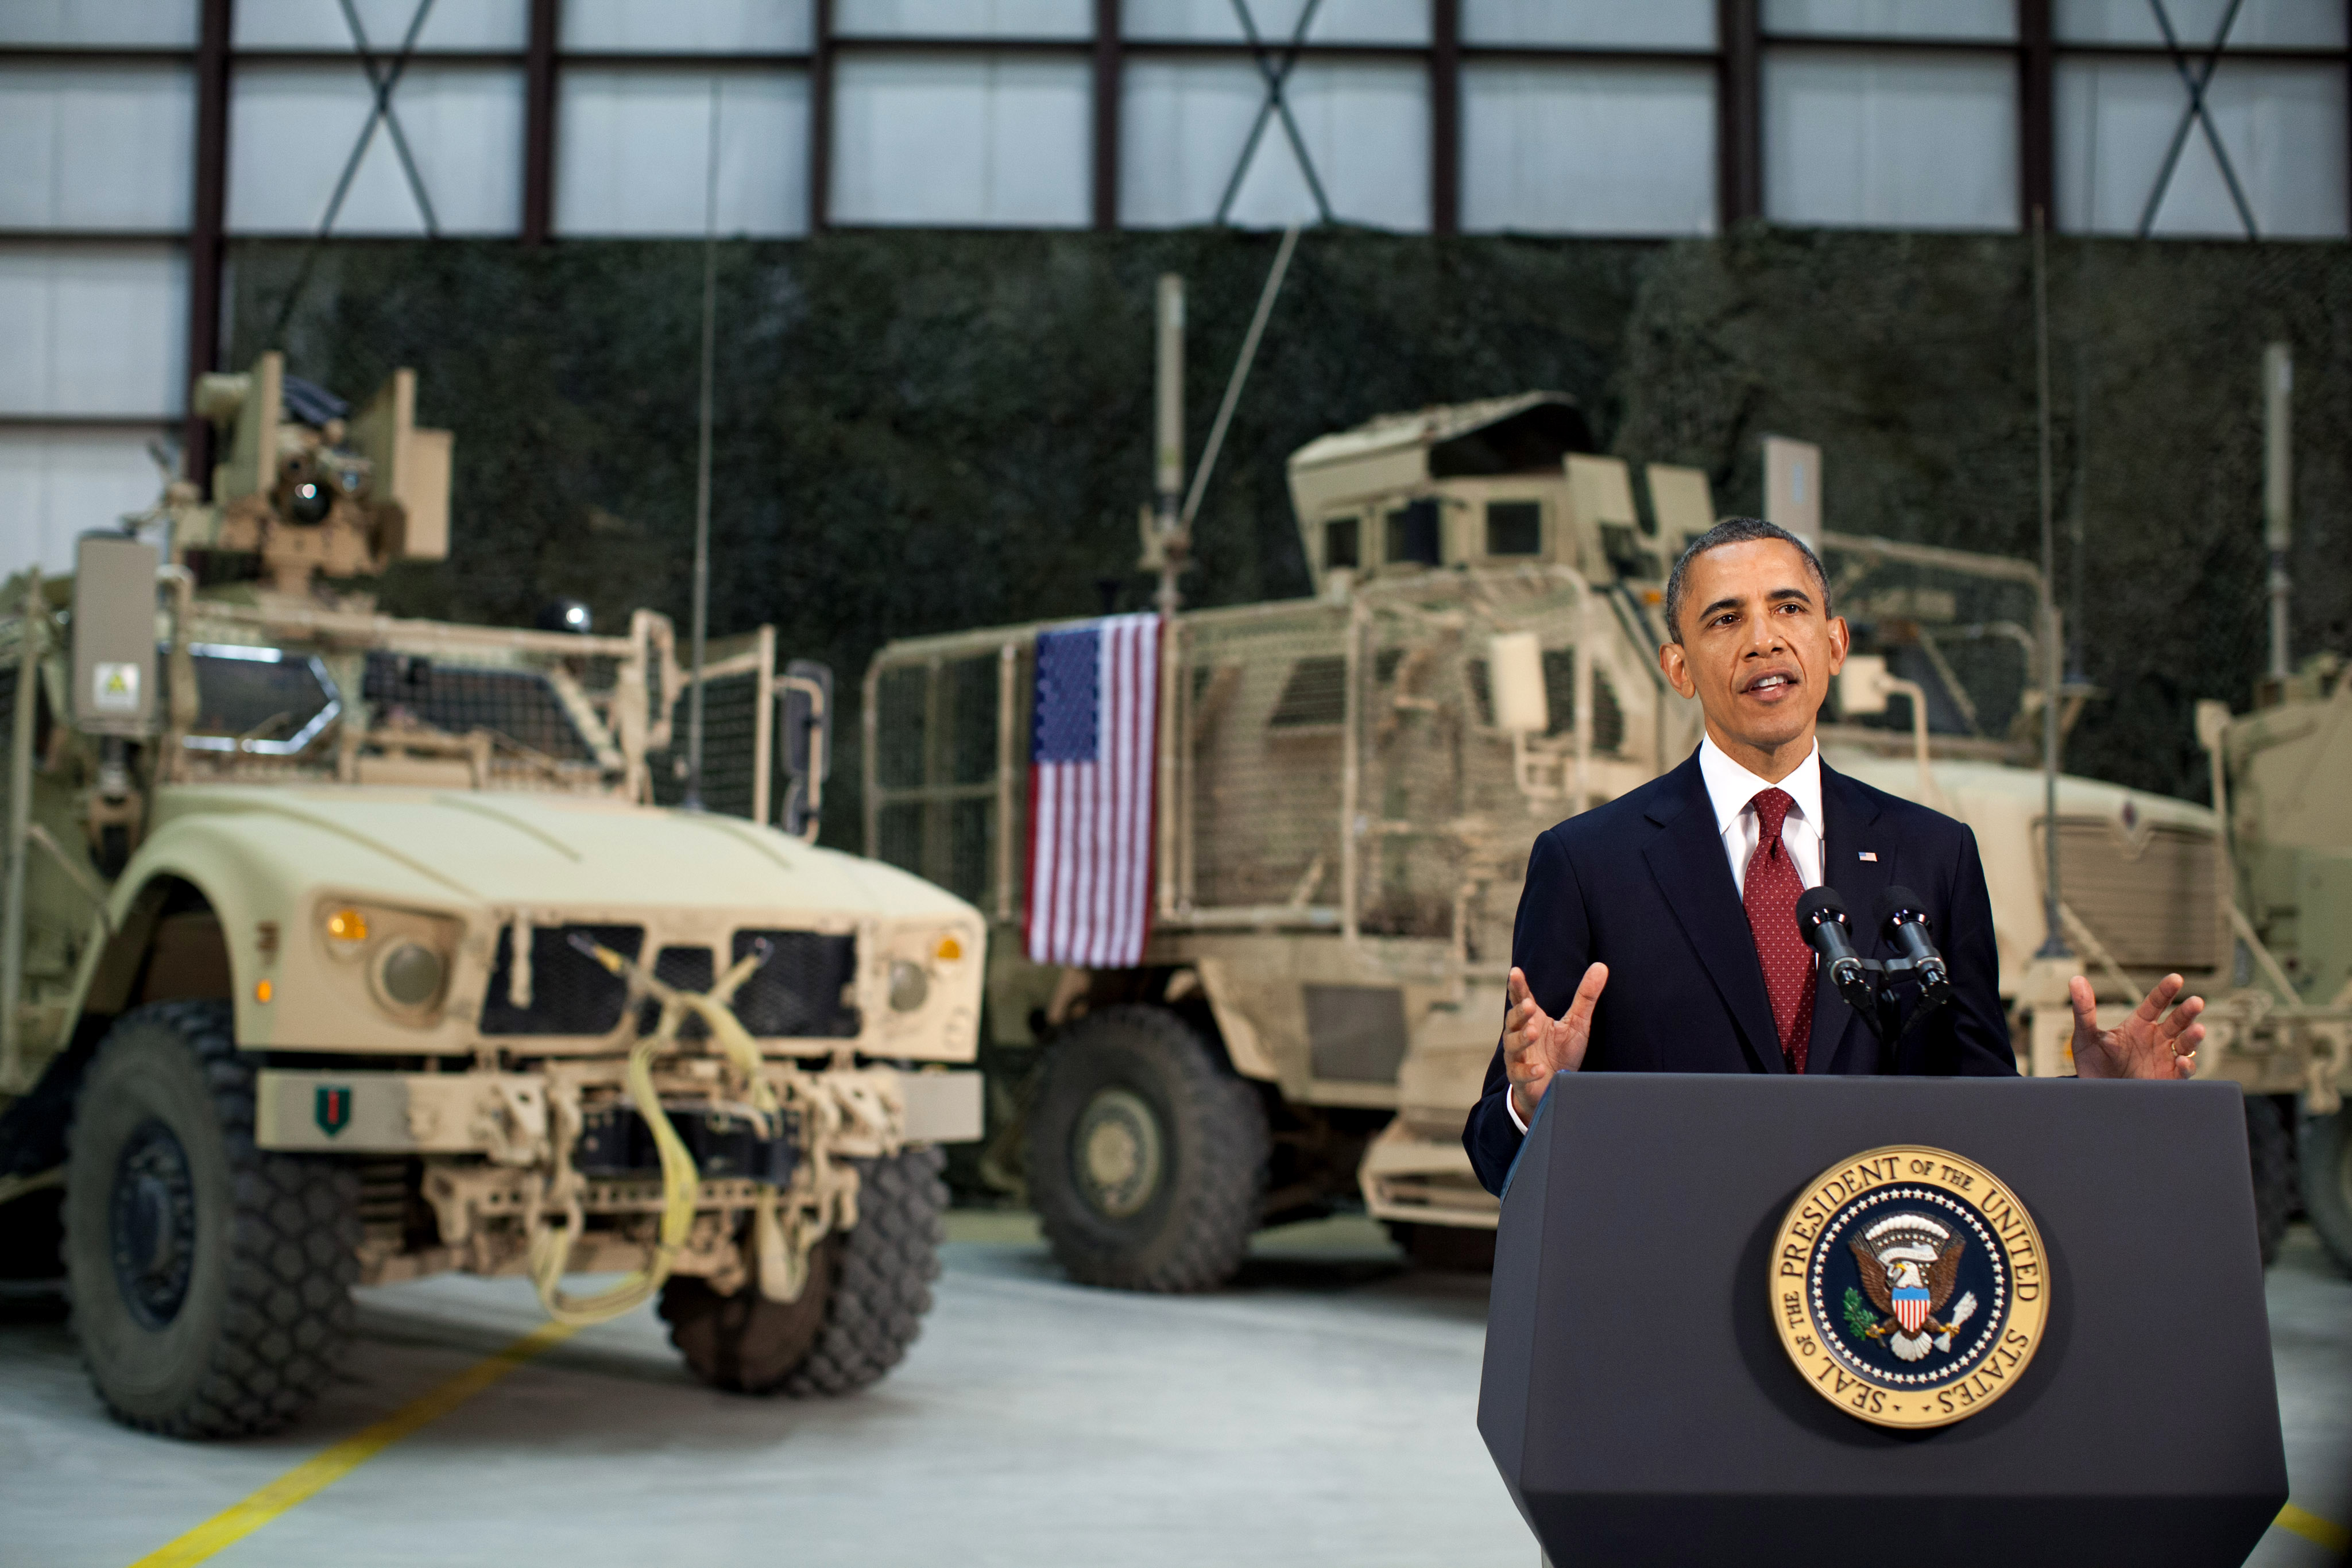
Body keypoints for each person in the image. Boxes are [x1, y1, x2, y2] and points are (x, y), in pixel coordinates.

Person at [1462, 517, 2204, 1196]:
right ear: (1679, 667)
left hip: (1865, 1301)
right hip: (1672, 1294)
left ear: (1836, 644)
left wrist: (2104, 1103)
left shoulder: (1936, 855)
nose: (1764, 640)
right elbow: (1495, 1157)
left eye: (1789, 609)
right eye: (1726, 619)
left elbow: (1982, 1118)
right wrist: (1532, 1106)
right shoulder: (1588, 864)